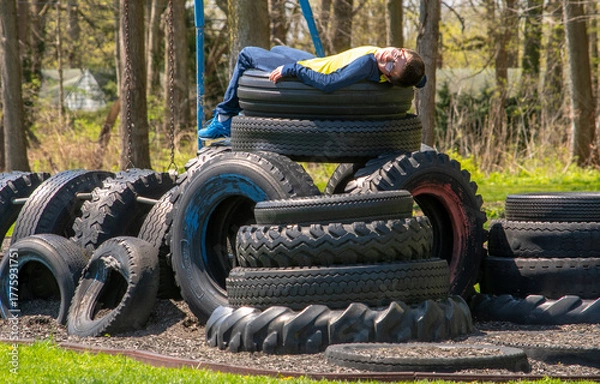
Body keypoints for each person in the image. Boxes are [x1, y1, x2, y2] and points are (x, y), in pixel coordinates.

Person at [199, 45, 426, 139]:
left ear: (388, 77)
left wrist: (293, 70)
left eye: (390, 66)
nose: (387, 58)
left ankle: (225, 117)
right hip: (318, 61)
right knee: (277, 49)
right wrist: (419, 79)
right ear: (403, 49)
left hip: (312, 69)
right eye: (396, 53)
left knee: (247, 54)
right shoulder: (402, 70)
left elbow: (328, 83)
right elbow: (414, 74)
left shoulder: (365, 65)